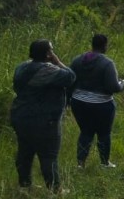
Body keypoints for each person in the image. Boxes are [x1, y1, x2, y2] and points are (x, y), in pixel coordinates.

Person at [10, 39, 76, 193]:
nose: (53, 52)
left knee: (25, 152)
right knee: (48, 155)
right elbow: (71, 77)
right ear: (48, 54)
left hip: (20, 116)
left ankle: (24, 186)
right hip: (44, 120)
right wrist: (57, 61)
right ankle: (55, 190)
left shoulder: (21, 67)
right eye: (51, 50)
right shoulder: (48, 70)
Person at [69, 33, 124, 168]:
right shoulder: (107, 63)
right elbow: (113, 87)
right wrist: (122, 84)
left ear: (92, 44)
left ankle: (80, 164)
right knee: (104, 133)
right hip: (102, 105)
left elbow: (70, 80)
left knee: (85, 132)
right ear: (105, 45)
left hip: (79, 102)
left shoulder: (77, 60)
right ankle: (104, 163)